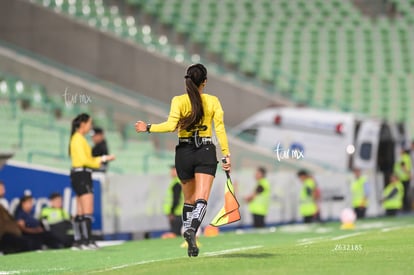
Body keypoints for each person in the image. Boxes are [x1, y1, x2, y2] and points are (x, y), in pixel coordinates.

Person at [135, 63, 231, 257]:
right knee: (202, 198)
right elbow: (219, 129)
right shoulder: (212, 101)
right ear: (205, 82)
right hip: (204, 149)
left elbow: (171, 126)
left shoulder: (178, 100)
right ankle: (192, 230)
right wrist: (226, 154)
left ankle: (190, 241)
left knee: (188, 200)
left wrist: (148, 127)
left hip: (184, 152)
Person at [69, 113, 115, 249]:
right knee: (87, 210)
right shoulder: (78, 139)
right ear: (83, 124)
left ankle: (80, 241)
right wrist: (102, 159)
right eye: (89, 123)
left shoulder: (78, 138)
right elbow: (84, 160)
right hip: (82, 173)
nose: (91, 126)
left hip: (79, 174)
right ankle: (86, 241)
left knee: (80, 210)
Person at [0, 181, 32, 254]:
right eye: (1, 189)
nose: (4, 191)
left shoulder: (3, 204)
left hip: (10, 235)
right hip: (4, 236)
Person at [163, 165, 183, 236]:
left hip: (177, 214)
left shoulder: (177, 183)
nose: (171, 172)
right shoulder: (178, 182)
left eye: (173, 170)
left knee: (175, 235)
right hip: (179, 213)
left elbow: (176, 199)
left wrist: (172, 212)